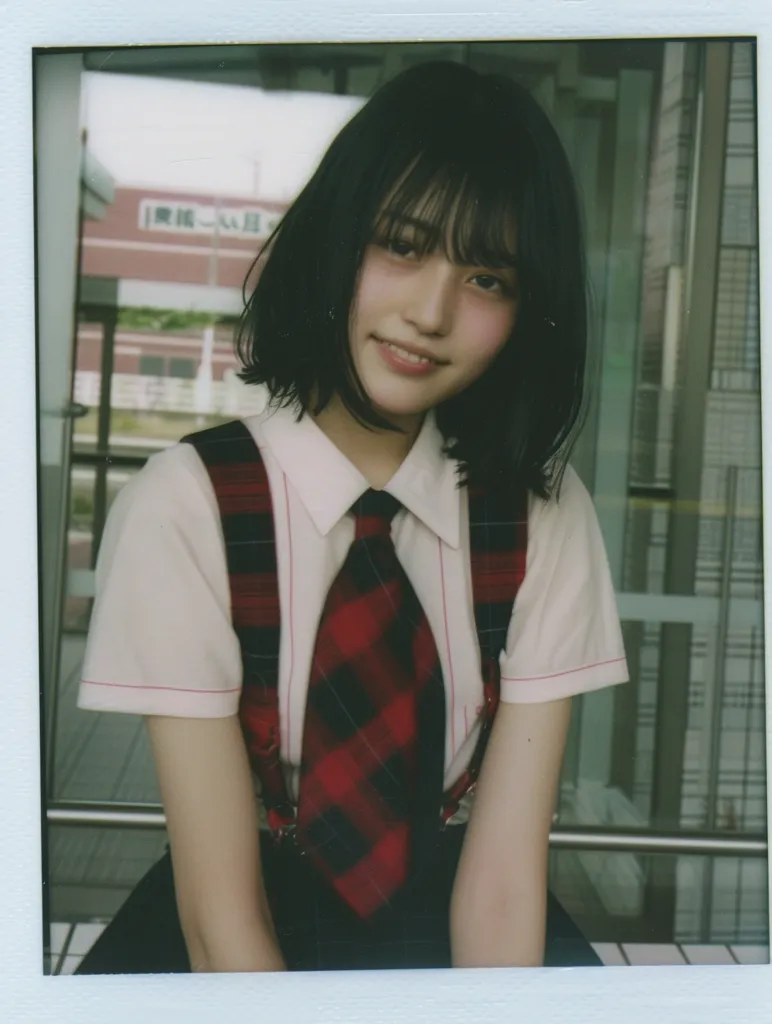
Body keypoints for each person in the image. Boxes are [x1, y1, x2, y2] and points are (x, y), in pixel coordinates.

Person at [75, 60, 628, 975]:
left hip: (456, 922)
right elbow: (221, 916)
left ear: (531, 312)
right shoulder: (188, 504)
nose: (431, 311)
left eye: (488, 278)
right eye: (403, 244)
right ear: (337, 238)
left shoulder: (543, 514)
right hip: (241, 936)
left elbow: (500, 881)